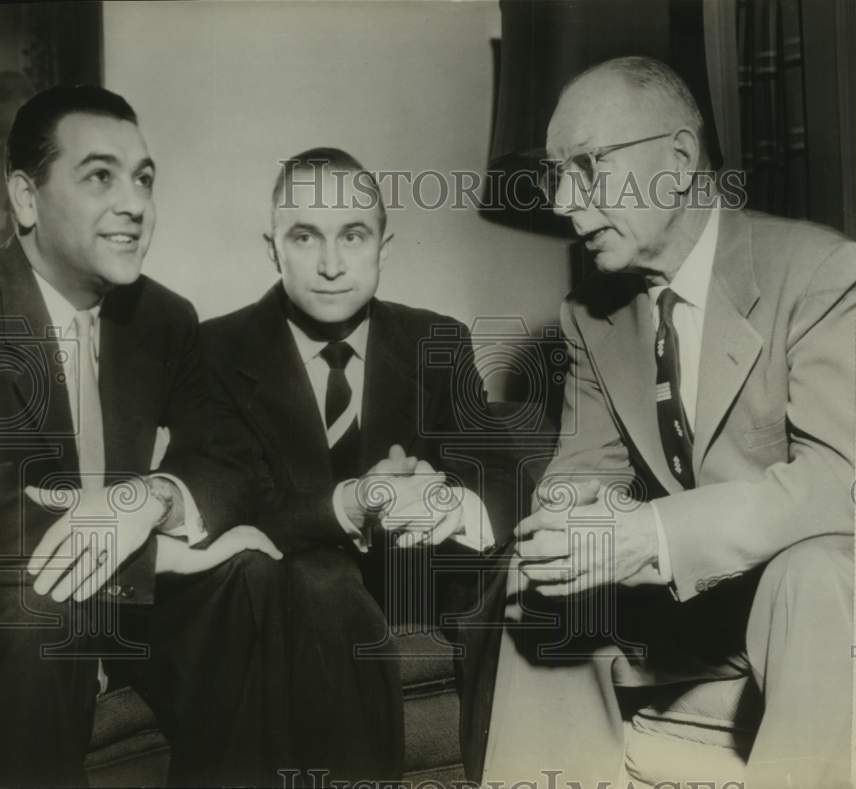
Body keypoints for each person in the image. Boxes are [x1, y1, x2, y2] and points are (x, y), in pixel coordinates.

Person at [481, 56, 856, 789]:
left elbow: (842, 482)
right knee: (544, 572)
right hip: (686, 617)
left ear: (679, 159)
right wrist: (564, 522)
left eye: (585, 167)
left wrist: (651, 535)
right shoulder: (592, 313)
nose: (563, 202)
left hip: (805, 605)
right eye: (555, 173)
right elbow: (584, 468)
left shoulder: (820, 273)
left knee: (815, 570)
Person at [0, 85, 284, 786]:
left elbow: (229, 453)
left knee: (251, 576)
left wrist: (151, 497)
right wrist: (153, 551)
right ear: (25, 199)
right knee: (44, 606)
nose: (135, 203)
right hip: (27, 610)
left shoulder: (162, 318)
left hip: (129, 615)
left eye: (144, 179)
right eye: (100, 176)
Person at [201, 147, 510, 782]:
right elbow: (230, 507)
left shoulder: (438, 341)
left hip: (418, 578)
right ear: (273, 249)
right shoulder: (215, 351)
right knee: (321, 579)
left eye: (353, 235)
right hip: (296, 597)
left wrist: (449, 502)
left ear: (383, 248)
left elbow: (498, 472)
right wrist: (356, 501)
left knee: (518, 563)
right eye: (306, 237)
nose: (333, 265)